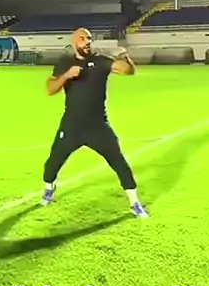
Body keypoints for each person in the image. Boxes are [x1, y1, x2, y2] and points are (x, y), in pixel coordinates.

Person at [41, 27, 148, 217]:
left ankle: (134, 202)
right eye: (82, 39)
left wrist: (124, 56)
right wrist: (67, 75)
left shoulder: (100, 61)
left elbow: (128, 71)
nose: (87, 42)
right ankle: (49, 187)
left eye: (89, 38)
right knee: (53, 162)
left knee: (118, 162)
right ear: (75, 42)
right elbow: (50, 89)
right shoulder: (65, 63)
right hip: (72, 125)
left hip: (98, 125)